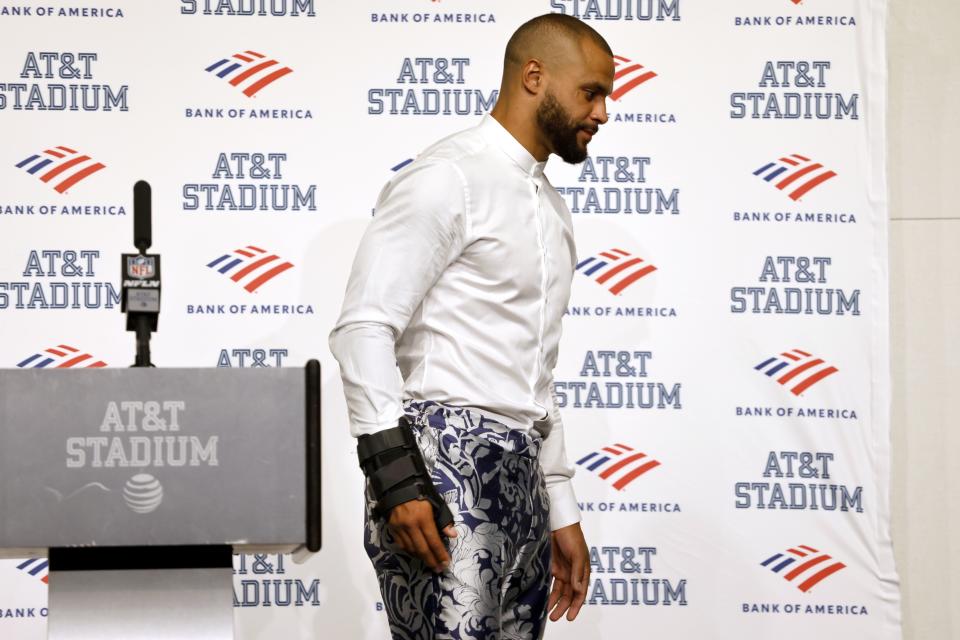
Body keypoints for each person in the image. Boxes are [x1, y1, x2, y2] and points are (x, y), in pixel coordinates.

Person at [329, 13, 614, 639]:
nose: (602, 112)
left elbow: (535, 378)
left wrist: (560, 507)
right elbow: (363, 329)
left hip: (524, 480)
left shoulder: (554, 210)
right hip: (441, 470)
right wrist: (396, 478)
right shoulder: (447, 177)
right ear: (534, 77)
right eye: (591, 91)